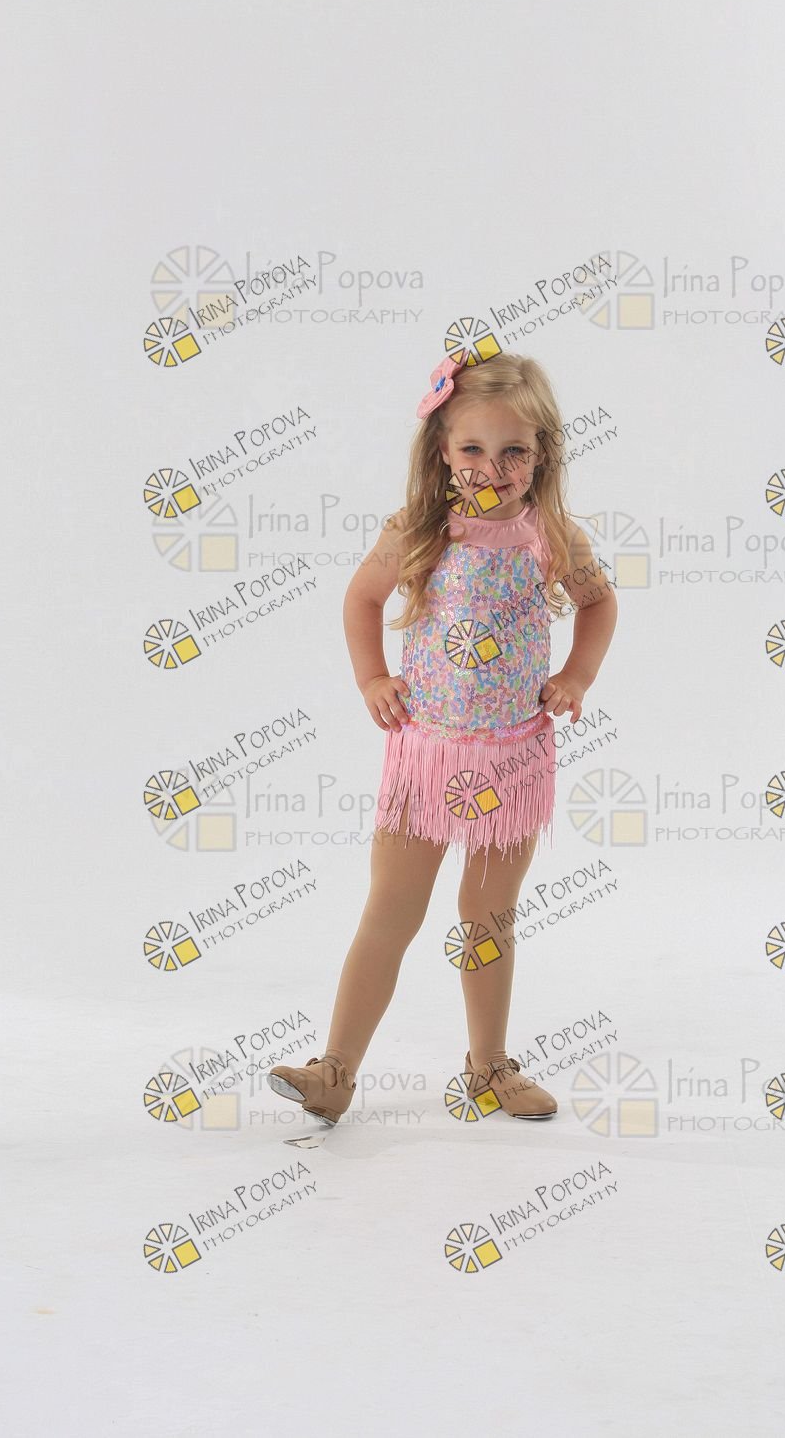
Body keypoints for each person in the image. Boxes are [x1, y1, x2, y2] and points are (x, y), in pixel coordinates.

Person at [268, 350, 617, 1127]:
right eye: (473, 448)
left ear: (543, 452)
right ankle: (335, 1072)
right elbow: (361, 599)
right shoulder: (420, 531)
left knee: (487, 919)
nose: (493, 468)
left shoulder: (551, 534)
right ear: (441, 450)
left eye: (514, 450)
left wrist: (577, 675)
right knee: (391, 908)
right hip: (425, 754)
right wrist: (373, 678)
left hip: (512, 759)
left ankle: (489, 1066)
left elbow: (598, 604)